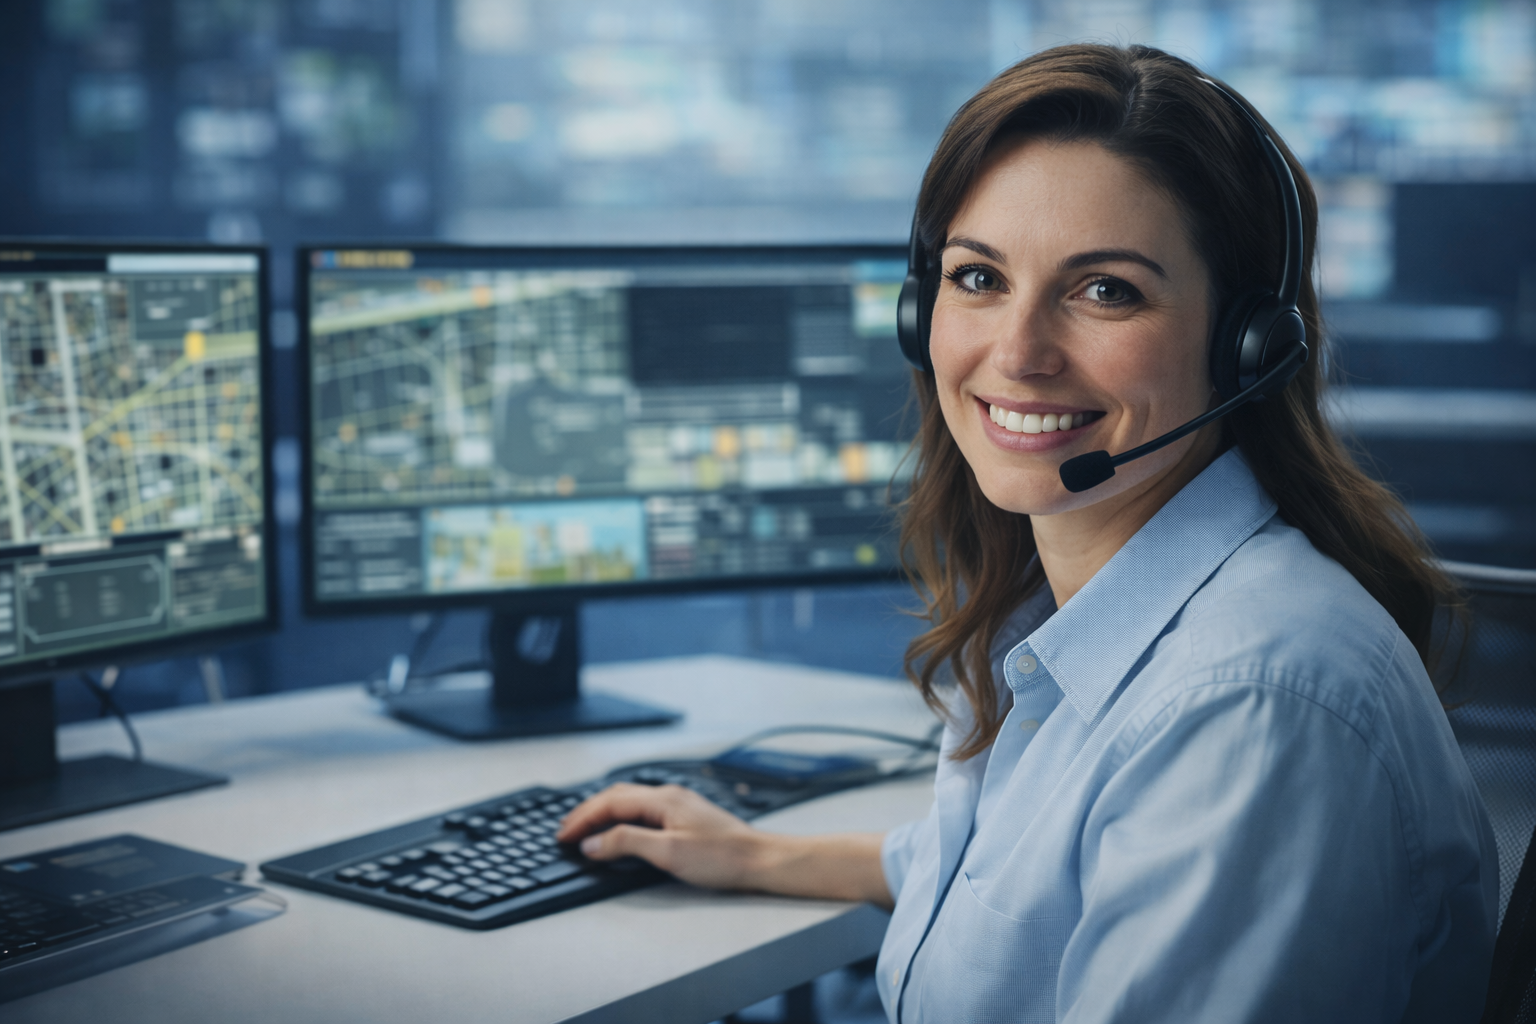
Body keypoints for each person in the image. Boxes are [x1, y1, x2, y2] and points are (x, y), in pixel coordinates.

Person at [557, 44, 1497, 1023]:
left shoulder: (1249, 711)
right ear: (920, 310)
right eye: (977, 278)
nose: (1017, 353)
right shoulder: (1076, 621)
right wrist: (757, 854)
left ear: (1244, 345)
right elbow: (1019, 874)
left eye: (1106, 290)